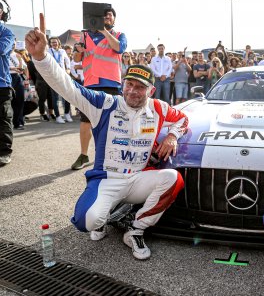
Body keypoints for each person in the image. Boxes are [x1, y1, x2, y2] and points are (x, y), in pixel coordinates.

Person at [25, 14, 189, 259]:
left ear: (151, 90)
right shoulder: (106, 103)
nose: (133, 91)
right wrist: (41, 58)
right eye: (129, 84)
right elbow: (68, 88)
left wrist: (173, 136)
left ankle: (135, 229)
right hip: (107, 180)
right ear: (123, 84)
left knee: (173, 179)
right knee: (86, 222)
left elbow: (184, 119)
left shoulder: (158, 107)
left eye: (140, 87)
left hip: (137, 179)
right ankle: (104, 213)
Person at [72, 7, 127, 170]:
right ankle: (83, 155)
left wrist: (103, 31)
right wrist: (77, 50)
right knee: (85, 121)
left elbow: (119, 48)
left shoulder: (118, 35)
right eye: (103, 16)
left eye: (109, 16)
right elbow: (77, 59)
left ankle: (112, 156)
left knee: (113, 122)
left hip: (112, 84)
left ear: (114, 20)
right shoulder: (85, 36)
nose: (106, 18)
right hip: (90, 84)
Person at [0, 0, 15, 166]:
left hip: (2, 85)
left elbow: (2, 48)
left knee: (3, 119)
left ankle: (4, 152)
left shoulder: (6, 32)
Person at [48, 37, 72, 124]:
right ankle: (58, 116)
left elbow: (67, 60)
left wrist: (68, 68)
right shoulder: (48, 51)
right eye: (52, 42)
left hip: (63, 75)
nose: (54, 44)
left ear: (58, 42)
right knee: (55, 97)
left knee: (67, 95)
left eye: (55, 42)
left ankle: (66, 113)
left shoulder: (62, 51)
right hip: (53, 76)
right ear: (50, 44)